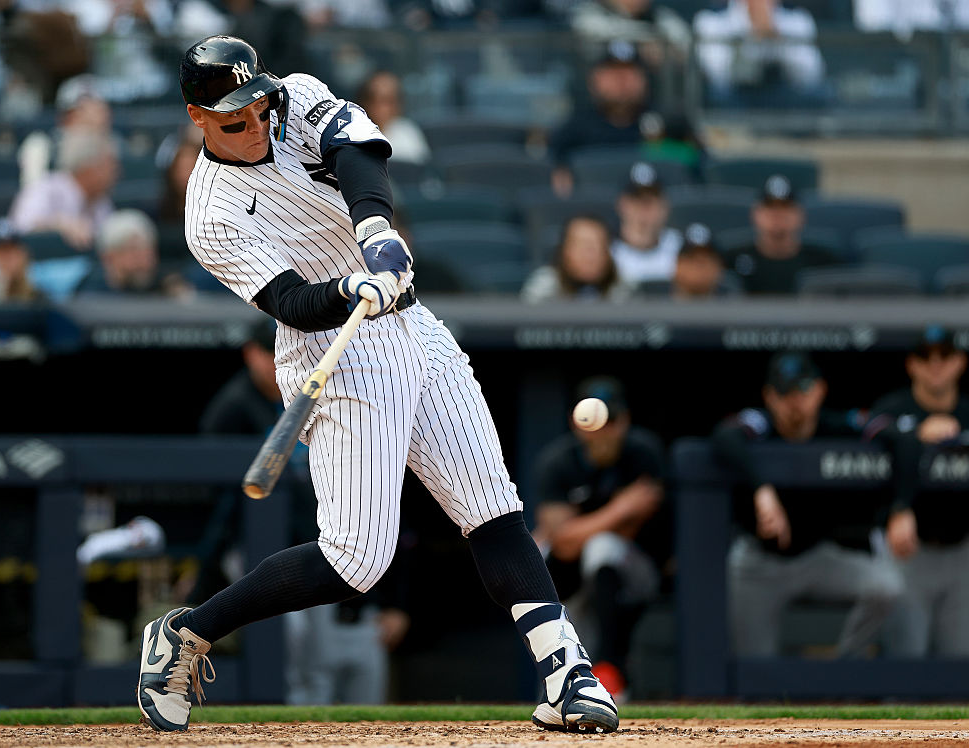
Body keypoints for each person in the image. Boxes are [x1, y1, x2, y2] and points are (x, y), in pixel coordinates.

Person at [136, 35, 618, 734]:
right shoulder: (208, 214)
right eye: (236, 115)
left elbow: (358, 152)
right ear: (198, 117)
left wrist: (376, 231)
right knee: (355, 560)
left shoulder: (292, 97)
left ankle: (567, 672)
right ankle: (188, 632)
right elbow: (290, 304)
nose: (259, 119)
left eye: (260, 103)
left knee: (491, 506)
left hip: (410, 324)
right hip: (330, 346)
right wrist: (346, 285)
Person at [197, 318, 410, 703]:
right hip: (252, 546)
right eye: (268, 354)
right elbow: (220, 505)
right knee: (286, 636)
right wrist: (205, 575)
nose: (277, 363)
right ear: (252, 354)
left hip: (317, 543)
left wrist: (394, 599)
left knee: (318, 655)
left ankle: (310, 730)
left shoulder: (322, 390)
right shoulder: (233, 408)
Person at [710, 352, 902, 657]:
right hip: (759, 563)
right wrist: (763, 490)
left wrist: (901, 508)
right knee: (754, 669)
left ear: (820, 390)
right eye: (784, 392)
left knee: (885, 587)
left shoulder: (834, 424)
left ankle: (843, 669)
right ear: (769, 396)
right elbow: (723, 437)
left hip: (816, 556)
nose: (794, 401)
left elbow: (892, 431)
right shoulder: (760, 425)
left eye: (802, 390)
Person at [531, 376, 665, 700]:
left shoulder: (642, 453)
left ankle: (610, 667)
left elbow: (631, 531)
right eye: (593, 422)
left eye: (612, 421)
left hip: (635, 576)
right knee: (541, 552)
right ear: (576, 424)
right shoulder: (557, 463)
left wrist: (582, 527)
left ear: (625, 422)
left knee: (600, 547)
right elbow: (561, 541)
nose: (603, 432)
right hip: (574, 584)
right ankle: (566, 692)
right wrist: (620, 507)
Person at [864, 326, 969, 657]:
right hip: (908, 551)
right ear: (912, 364)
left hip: (961, 549)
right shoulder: (892, 408)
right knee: (905, 661)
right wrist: (914, 434)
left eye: (944, 357)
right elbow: (871, 428)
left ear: (960, 362)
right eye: (925, 357)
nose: (935, 365)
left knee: (959, 668)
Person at [548, 40, 649, 197]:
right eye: (613, 72)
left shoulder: (669, 129)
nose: (621, 80)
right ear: (595, 78)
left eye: (630, 72)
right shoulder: (572, 132)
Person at [693, 0, 828, 108]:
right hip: (735, 107)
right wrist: (750, 30)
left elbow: (811, 78)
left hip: (785, 106)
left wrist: (775, 36)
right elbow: (719, 80)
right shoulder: (711, 20)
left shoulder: (798, 19)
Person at [722, 174, 837, 295]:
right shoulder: (732, 261)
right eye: (770, 206)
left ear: (801, 215)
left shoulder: (822, 263)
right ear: (755, 214)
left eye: (785, 207)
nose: (777, 214)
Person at [9, 129, 120, 250]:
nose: (116, 173)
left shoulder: (102, 200)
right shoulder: (46, 187)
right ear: (88, 167)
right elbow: (21, 226)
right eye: (109, 166)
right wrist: (58, 225)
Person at [75, 209, 192, 297]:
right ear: (108, 257)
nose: (144, 260)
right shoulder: (92, 292)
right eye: (134, 251)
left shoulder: (165, 283)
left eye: (148, 251)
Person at [521, 214, 635, 303]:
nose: (590, 256)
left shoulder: (624, 289)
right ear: (565, 250)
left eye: (598, 246)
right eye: (582, 246)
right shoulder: (544, 287)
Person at [609, 162, 682, 284]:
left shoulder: (681, 248)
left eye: (650, 201)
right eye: (636, 199)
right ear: (621, 205)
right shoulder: (606, 250)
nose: (643, 209)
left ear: (665, 207)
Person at [356, 70, 431, 165]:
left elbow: (423, 175)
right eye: (384, 100)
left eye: (394, 100)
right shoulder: (350, 136)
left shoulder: (407, 132)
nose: (392, 107)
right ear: (365, 103)